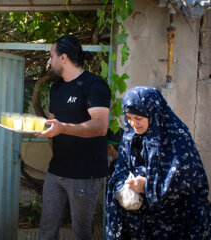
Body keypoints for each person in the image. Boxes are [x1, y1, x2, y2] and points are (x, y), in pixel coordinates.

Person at [106, 86, 211, 239]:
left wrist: (148, 186)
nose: (133, 124)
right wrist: (123, 186)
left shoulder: (177, 138)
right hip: (137, 225)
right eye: (129, 117)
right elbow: (120, 169)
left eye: (139, 119)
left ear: (153, 113)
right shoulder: (129, 137)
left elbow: (191, 181)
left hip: (171, 225)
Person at [36, 35, 111, 239]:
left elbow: (100, 126)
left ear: (63, 57)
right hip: (56, 170)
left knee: (81, 233)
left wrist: (63, 128)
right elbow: (53, 121)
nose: (49, 61)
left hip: (85, 174)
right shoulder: (56, 87)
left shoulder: (94, 85)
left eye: (51, 56)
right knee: (46, 230)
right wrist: (30, 125)